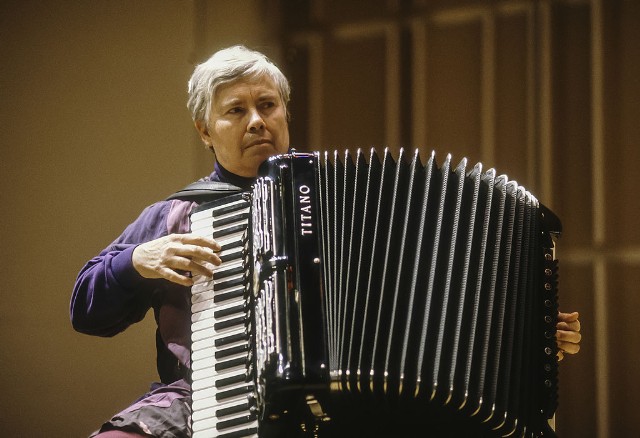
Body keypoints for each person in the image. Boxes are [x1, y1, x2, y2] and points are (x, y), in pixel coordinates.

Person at [70, 45, 582, 438]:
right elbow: (86, 308)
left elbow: (439, 315)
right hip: (201, 404)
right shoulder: (177, 215)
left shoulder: (352, 197)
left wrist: (528, 339)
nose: (256, 120)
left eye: (267, 105)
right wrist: (138, 259)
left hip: (357, 417)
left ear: (285, 113)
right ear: (205, 131)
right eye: (235, 110)